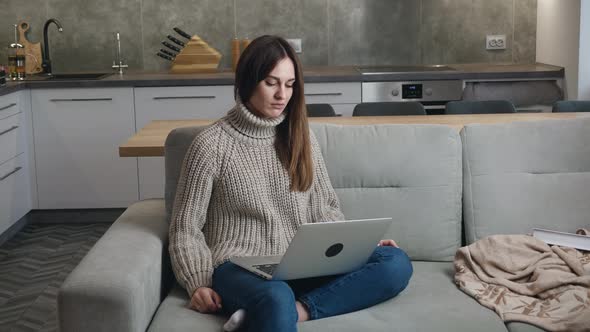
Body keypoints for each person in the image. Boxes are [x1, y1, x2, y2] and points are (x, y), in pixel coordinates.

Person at [168, 35, 413, 332]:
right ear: (248, 81)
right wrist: (197, 282)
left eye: (289, 84)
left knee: (395, 262)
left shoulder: (301, 137)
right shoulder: (210, 145)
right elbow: (186, 228)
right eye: (271, 83)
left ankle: (295, 311)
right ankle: (275, 307)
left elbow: (325, 209)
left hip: (300, 263)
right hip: (237, 267)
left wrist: (357, 249)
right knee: (275, 295)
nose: (281, 94)